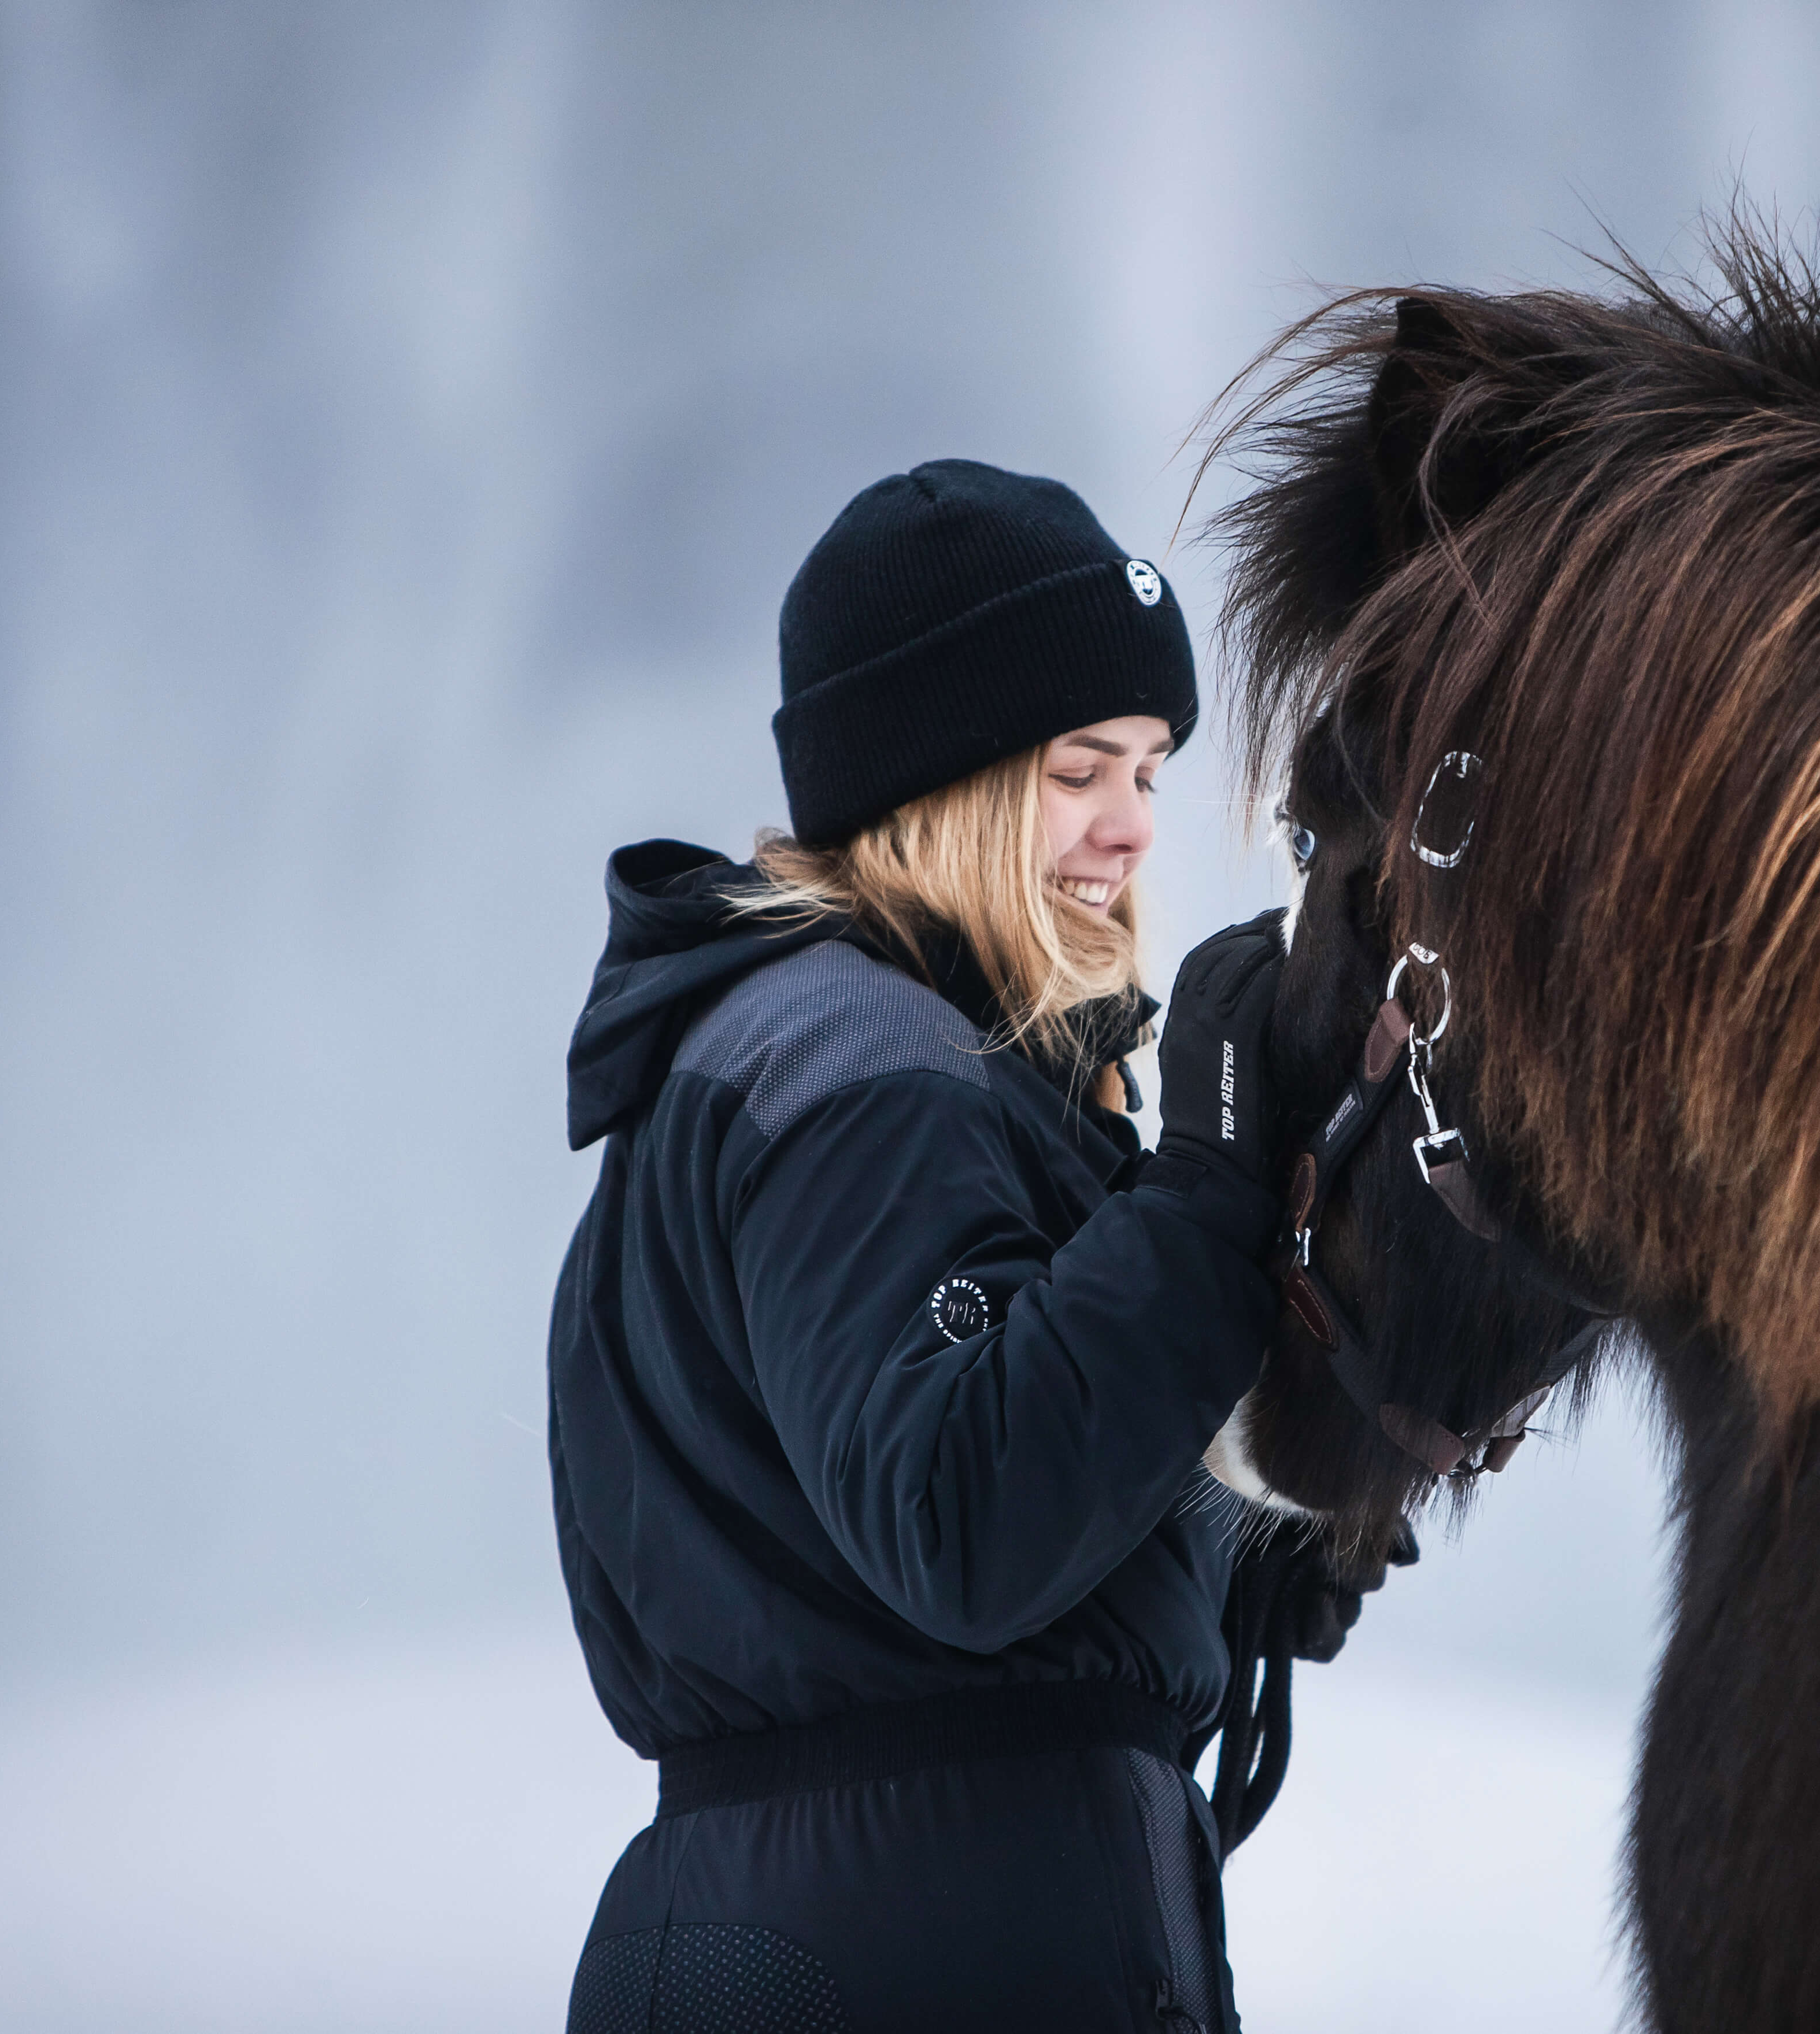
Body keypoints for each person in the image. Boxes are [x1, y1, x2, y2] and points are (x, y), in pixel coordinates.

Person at [548, 459, 1329, 2033]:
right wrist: (1207, 1184)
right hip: (899, 1946)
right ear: (938, 778)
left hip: (863, 1917)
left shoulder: (877, 1065)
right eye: (1077, 769)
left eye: (1152, 773)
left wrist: (1240, 1548)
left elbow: (894, 1555)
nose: (1130, 829)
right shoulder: (864, 1070)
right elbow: (959, 1515)